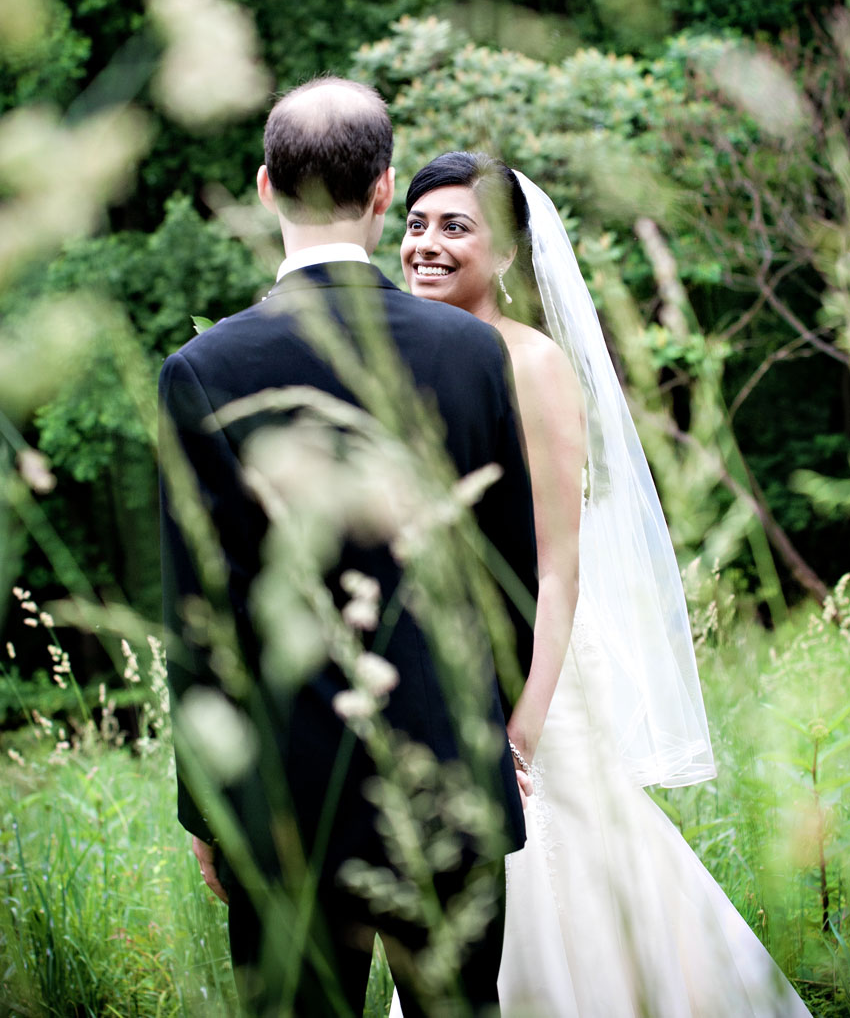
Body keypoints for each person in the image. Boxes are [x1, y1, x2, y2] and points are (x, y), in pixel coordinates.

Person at [396, 150, 812, 1017]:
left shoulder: (533, 363)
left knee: (569, 862)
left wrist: (521, 729)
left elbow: (558, 561)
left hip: (535, 672)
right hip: (440, 665)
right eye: (416, 223)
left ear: (505, 254)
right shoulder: (409, 358)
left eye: (455, 227)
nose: (426, 243)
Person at [159, 84, 539, 1018]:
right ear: (383, 191)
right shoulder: (470, 351)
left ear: (264, 187)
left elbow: (200, 617)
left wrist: (208, 808)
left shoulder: (201, 371)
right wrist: (482, 726)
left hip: (284, 801)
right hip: (447, 783)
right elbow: (512, 579)